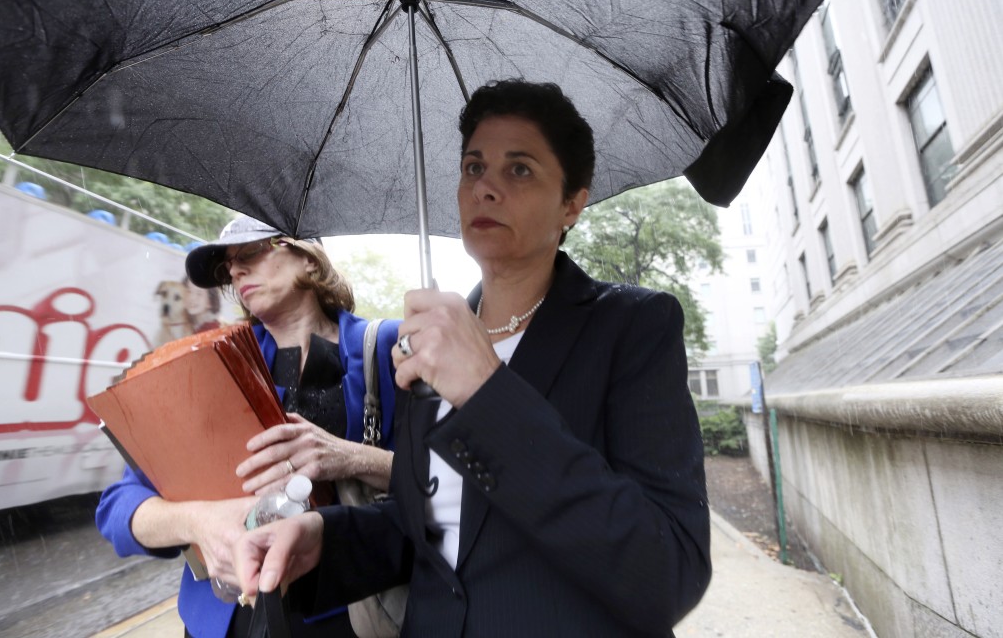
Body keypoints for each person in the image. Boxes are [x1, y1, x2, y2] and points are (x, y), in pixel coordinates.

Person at [233, 80, 712, 637]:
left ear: (573, 203)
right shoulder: (426, 343)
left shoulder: (633, 327)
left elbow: (668, 570)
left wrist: (487, 392)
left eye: (520, 169)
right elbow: (428, 527)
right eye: (473, 167)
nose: (485, 187)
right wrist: (324, 538)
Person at [96, 215, 401, 638]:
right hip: (221, 620)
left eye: (253, 252)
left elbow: (443, 485)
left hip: (343, 615)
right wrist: (198, 522)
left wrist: (350, 458)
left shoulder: (387, 348)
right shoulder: (205, 365)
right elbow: (117, 507)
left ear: (310, 259)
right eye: (229, 266)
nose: (236, 270)